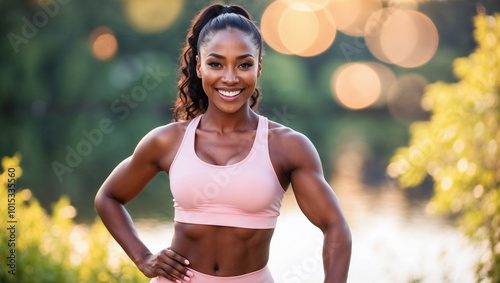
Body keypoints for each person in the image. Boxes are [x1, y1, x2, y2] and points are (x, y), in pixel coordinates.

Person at [95, 3, 351, 283]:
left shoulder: (288, 147)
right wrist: (143, 258)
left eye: (244, 64)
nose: (230, 78)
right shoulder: (167, 141)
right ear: (199, 67)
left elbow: (336, 227)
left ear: (259, 68)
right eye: (216, 64)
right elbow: (108, 198)